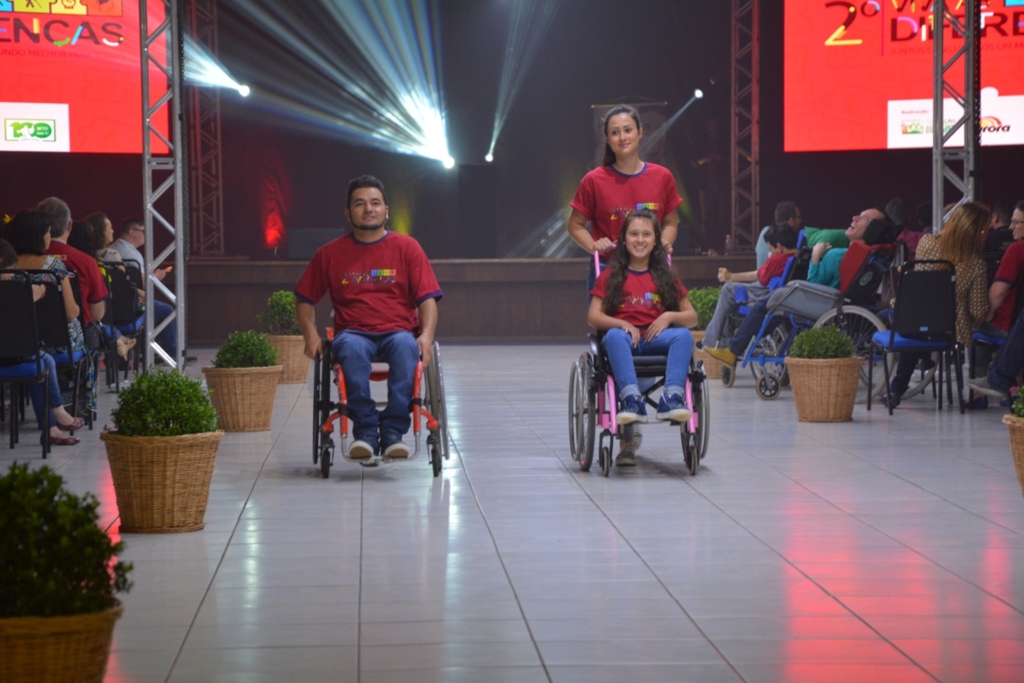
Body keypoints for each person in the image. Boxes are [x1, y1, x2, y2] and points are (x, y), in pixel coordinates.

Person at [295, 175, 443, 460]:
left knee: (405, 348)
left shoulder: (408, 247)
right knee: (349, 349)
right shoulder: (329, 254)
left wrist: (426, 335)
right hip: (353, 332)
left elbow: (427, 299)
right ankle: (364, 431)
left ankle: (392, 434)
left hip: (398, 330)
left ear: (386, 210)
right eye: (360, 204)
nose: (368, 209)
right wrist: (310, 335)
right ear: (348, 213)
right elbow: (304, 300)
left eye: (375, 203)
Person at [567, 104, 683, 462]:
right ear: (607, 138)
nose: (622, 137)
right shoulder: (595, 180)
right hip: (611, 272)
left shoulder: (661, 176)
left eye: (628, 130)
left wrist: (665, 239)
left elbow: (672, 221)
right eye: (614, 132)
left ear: (640, 133)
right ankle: (628, 431)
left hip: (653, 271)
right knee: (615, 345)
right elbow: (575, 226)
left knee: (662, 337)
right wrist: (595, 244)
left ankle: (663, 397)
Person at [587, 210, 697, 467]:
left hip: (654, 339)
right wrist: (621, 323)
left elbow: (692, 317)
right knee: (613, 336)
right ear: (623, 239)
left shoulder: (665, 276)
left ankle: (671, 397)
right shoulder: (611, 276)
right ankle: (631, 399)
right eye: (633, 234)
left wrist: (669, 316)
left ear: (656, 240)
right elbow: (593, 316)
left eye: (646, 234)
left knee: (683, 335)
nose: (639, 239)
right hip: (622, 343)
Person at [883, 202, 990, 408]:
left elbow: (922, 287)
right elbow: (977, 312)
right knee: (925, 328)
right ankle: (920, 358)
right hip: (947, 331)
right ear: (976, 232)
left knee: (910, 323)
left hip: (910, 319)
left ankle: (897, 389)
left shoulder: (927, 243)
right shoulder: (977, 264)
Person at [2, 213, 89, 445]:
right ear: (39, 237)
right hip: (56, 343)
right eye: (48, 232)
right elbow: (71, 313)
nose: (50, 236)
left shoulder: (9, 268)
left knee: (39, 356)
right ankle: (60, 417)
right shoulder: (54, 268)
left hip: (17, 344)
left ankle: (52, 422)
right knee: (46, 357)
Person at [703, 224, 800, 367]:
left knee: (728, 290)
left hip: (769, 293)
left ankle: (714, 342)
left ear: (779, 247)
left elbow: (761, 277)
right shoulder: (800, 256)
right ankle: (714, 340)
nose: (770, 253)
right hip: (783, 295)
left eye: (771, 249)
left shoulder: (777, 259)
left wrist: (731, 277)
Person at [111, 216, 191, 363]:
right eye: (143, 231)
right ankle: (171, 353)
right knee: (166, 310)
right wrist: (156, 277)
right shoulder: (132, 254)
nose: (145, 235)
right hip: (131, 305)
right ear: (132, 232)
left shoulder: (113, 248)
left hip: (112, 307)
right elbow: (142, 283)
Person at [36, 197, 108, 326]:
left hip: (33, 333)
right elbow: (97, 314)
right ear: (70, 225)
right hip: (76, 337)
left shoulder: (22, 260)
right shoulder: (87, 262)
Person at [755, 201, 802, 268]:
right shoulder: (773, 236)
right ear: (791, 221)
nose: (800, 221)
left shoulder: (766, 231)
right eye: (798, 217)